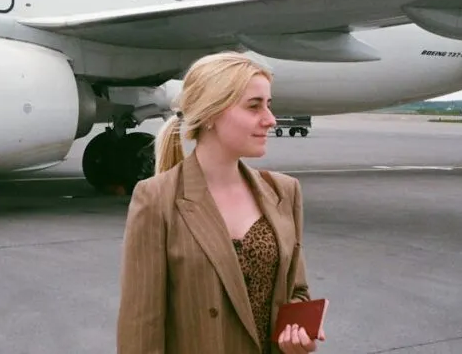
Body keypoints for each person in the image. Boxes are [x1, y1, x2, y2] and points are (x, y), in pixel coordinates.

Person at [116, 51, 325, 354]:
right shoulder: (156, 198)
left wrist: (295, 336)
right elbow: (140, 328)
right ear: (212, 113)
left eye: (269, 105)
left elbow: (297, 291)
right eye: (254, 106)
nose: (270, 119)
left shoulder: (283, 192)